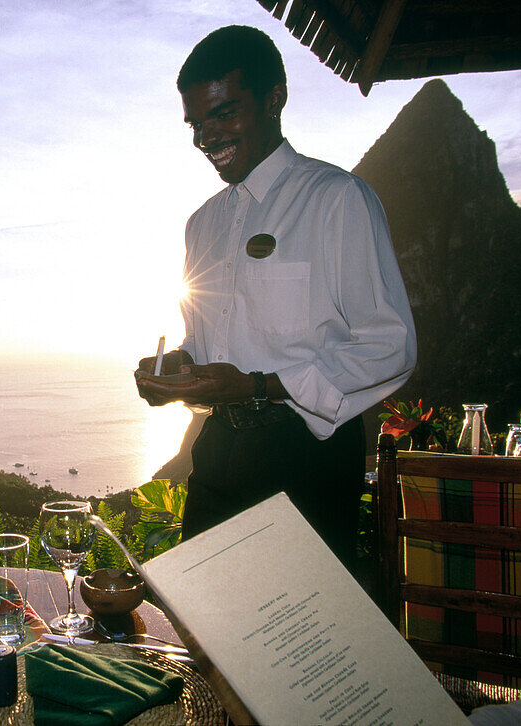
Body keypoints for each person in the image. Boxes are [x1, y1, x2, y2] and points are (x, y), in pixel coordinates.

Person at [136, 25, 416, 571]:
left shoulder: (337, 199)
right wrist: (179, 369)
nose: (205, 137)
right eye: (195, 122)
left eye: (224, 113)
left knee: (301, 642)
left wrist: (259, 387)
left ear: (274, 100)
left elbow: (390, 344)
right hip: (217, 451)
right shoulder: (202, 224)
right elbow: (206, 340)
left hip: (306, 459)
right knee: (208, 628)